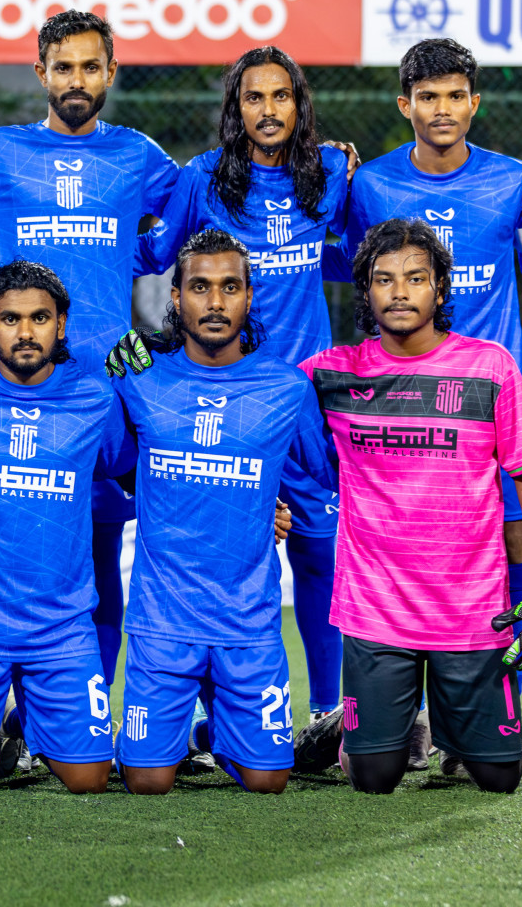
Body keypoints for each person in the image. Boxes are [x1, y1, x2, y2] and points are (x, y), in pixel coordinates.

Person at [336, 39, 522, 771]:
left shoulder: (515, 182)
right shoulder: (370, 186)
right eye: (427, 97)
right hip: (402, 408)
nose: (442, 110)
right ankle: (398, 722)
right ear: (404, 106)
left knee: (504, 557)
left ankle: (497, 721)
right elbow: (346, 278)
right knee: (404, 553)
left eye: (454, 96)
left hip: (490, 408)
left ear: (475, 101)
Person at [0, 9, 180, 731]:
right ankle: (0, 716)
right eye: (65, 67)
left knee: (95, 550)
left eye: (92, 67)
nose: (78, 80)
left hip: (104, 387)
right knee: (9, 551)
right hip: (13, 386)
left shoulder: (140, 155)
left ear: (110, 73)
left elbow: (184, 221)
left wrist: (133, 278)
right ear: (42, 73)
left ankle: (78, 713)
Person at [296, 218, 522, 795]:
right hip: (375, 607)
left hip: (470, 609)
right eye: (383, 279)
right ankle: (348, 729)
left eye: (415, 278)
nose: (399, 291)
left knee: (498, 776)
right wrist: (165, 352)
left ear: (441, 289)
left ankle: (446, 715)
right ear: (365, 291)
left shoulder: (490, 367)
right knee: (374, 777)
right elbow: (252, 392)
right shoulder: (331, 373)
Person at [128, 46, 351, 726]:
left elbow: (355, 259)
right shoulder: (201, 180)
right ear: (236, 109)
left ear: (299, 104)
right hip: (218, 394)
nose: (268, 109)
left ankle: (327, 711)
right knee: (212, 558)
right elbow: (154, 259)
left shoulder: (333, 173)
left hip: (304, 401)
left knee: (319, 554)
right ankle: (203, 712)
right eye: (253, 98)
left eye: (280, 96)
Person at [113, 229, 334, 795]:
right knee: (146, 782)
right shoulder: (139, 381)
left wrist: (275, 508)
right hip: (163, 620)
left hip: (248, 622)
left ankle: (217, 732)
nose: (215, 303)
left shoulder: (287, 387)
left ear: (250, 296)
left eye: (230, 287)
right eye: (200, 287)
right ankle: (171, 732)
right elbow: (113, 466)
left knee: (268, 782)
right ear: (176, 298)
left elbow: (328, 478)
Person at [0, 260, 132, 796]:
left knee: (90, 782)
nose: (26, 331)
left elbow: (137, 470)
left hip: (60, 627)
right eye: (10, 319)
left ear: (61, 325)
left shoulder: (96, 397)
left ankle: (17, 725)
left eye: (40, 318)